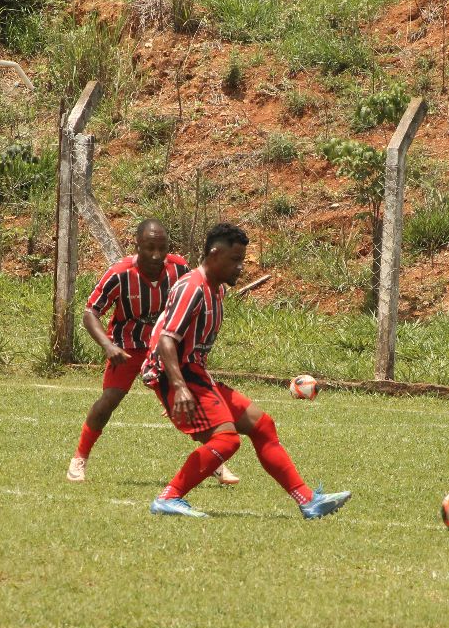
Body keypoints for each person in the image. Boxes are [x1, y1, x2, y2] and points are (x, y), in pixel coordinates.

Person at [141, 222, 351, 518]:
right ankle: (169, 497)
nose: (241, 267)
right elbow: (166, 340)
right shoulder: (192, 287)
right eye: (235, 259)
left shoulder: (216, 290)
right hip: (176, 374)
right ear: (215, 254)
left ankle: (308, 501)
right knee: (226, 440)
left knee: (262, 425)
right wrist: (178, 388)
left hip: (193, 375)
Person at [67, 219, 241, 486]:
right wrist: (108, 346)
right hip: (128, 347)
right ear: (137, 245)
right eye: (150, 248)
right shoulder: (120, 273)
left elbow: (197, 297)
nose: (157, 255)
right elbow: (90, 312)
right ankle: (79, 458)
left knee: (191, 403)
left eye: (162, 248)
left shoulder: (179, 268)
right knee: (110, 399)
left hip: (166, 348)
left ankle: (215, 461)